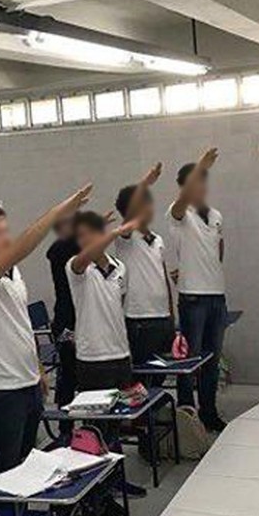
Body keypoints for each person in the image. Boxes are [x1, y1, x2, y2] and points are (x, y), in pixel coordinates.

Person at [0, 185, 93, 474]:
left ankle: (23, 504)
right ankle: (3, 504)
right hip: (0, 386)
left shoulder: (14, 273)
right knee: (6, 467)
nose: (7, 237)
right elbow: (24, 245)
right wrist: (57, 212)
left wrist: (39, 369)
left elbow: (21, 323)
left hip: (27, 380)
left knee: (26, 460)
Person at [168, 147, 228, 432]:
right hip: (193, 299)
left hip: (217, 296)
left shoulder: (215, 215)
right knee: (188, 362)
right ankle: (186, 416)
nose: (201, 187)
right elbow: (181, 204)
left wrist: (209, 270)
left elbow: (218, 248)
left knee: (212, 360)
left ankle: (208, 412)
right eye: (196, 182)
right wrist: (202, 163)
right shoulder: (179, 213)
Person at [114, 163, 176, 381]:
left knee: (160, 374)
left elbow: (163, 278)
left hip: (162, 317)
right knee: (141, 377)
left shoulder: (157, 239)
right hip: (139, 318)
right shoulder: (125, 238)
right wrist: (146, 183)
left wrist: (171, 314)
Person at [66, 211, 137, 391]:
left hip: (121, 352)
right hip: (93, 357)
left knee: (124, 406)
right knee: (97, 407)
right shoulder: (76, 266)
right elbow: (83, 260)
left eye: (90, 233)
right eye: (80, 235)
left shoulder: (120, 267)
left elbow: (119, 304)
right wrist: (114, 233)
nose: (85, 239)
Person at [46, 214, 80, 435]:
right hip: (67, 323)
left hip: (73, 319)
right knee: (69, 372)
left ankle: (69, 424)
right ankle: (65, 426)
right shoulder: (61, 251)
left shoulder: (66, 248)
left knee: (70, 373)